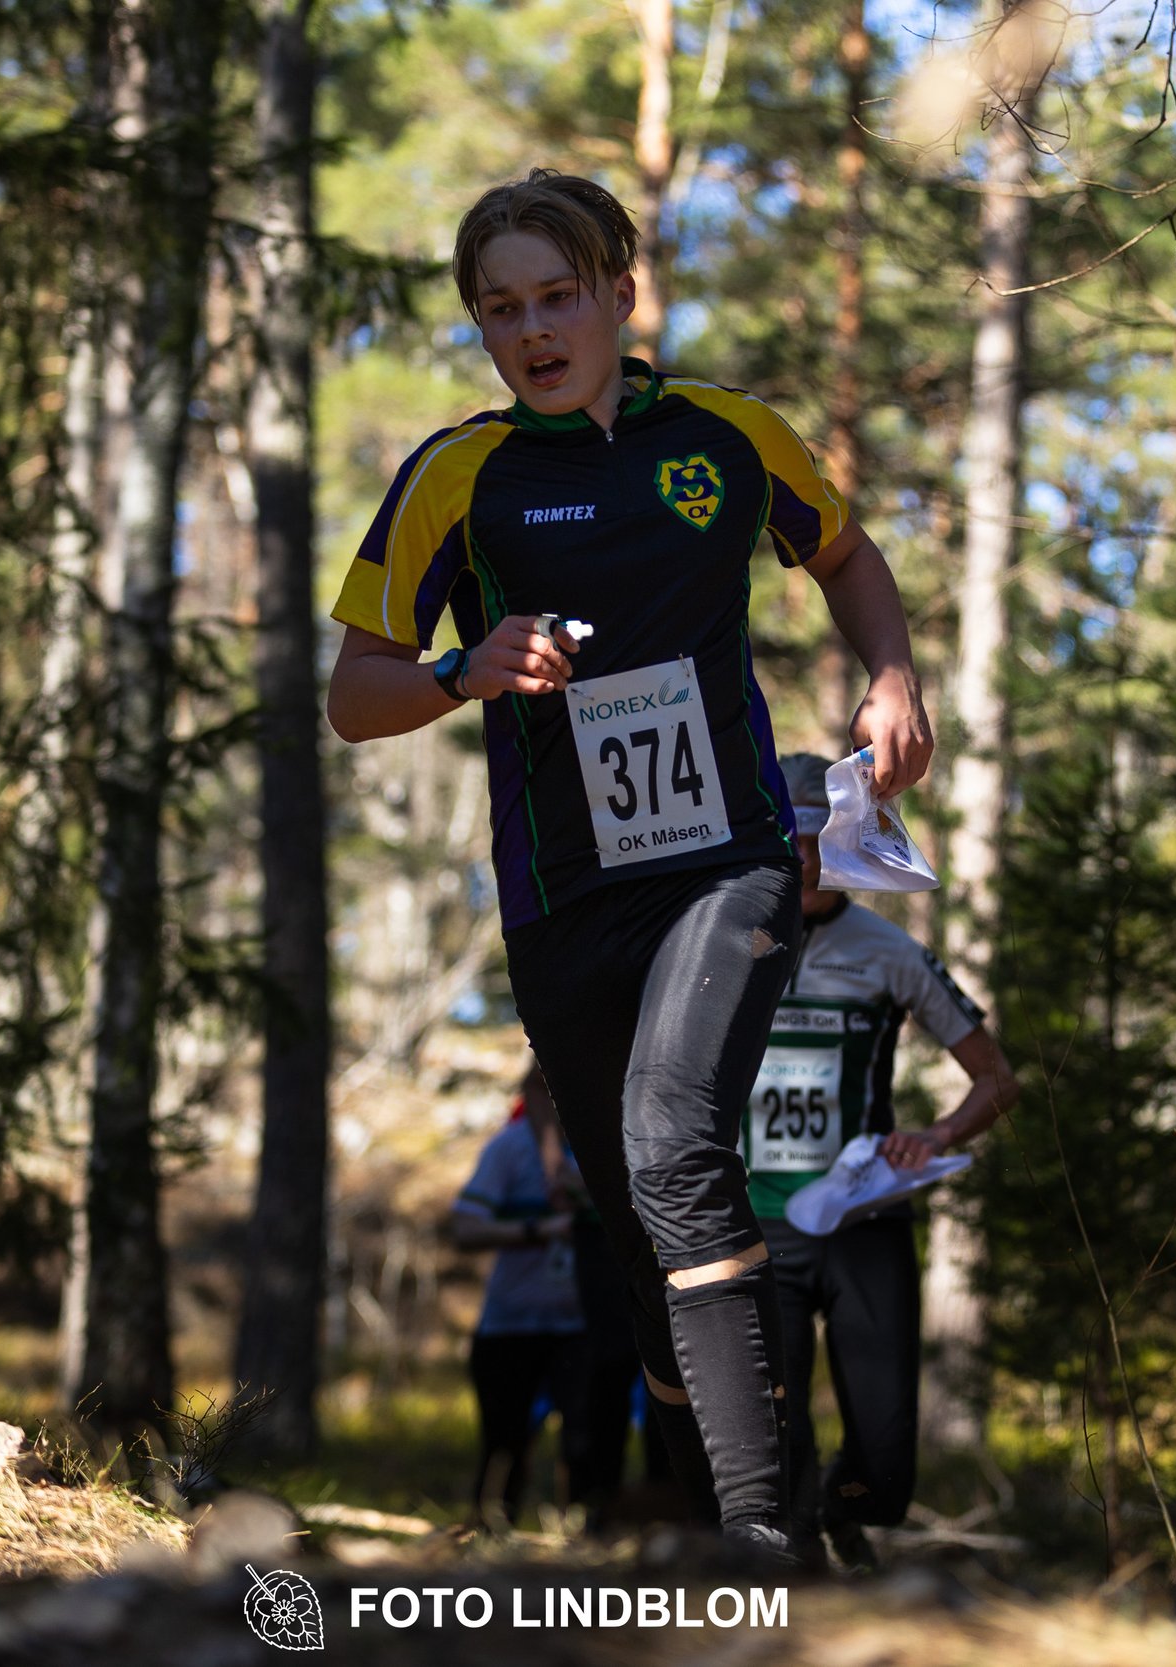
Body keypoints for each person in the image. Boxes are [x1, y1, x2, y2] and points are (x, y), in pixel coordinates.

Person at [326, 168, 934, 1564]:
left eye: (558, 297)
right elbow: (352, 694)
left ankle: (762, 1536)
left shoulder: (728, 436)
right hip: (562, 904)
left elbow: (845, 556)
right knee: (644, 1232)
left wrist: (893, 674)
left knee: (677, 1140)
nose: (534, 330)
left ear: (619, 294)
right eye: (501, 310)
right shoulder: (457, 476)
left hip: (729, 863)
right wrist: (462, 667)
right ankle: (713, 1469)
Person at [746, 753, 1019, 1571]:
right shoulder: (722, 937)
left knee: (887, 1459)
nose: (802, 857)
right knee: (773, 1434)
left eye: (817, 838)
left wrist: (936, 1137)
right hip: (757, 1223)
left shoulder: (888, 950)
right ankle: (800, 1578)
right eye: (787, 838)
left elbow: (997, 1079)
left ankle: (846, 1505)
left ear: (846, 843)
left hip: (863, 1215)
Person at [450, 1069, 586, 1529]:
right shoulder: (508, 1148)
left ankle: (582, 1537)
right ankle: (491, 1531)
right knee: (504, 1444)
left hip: (580, 1328)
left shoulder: (604, 1143)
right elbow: (465, 1228)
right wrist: (536, 1230)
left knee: (584, 1442)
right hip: (509, 1327)